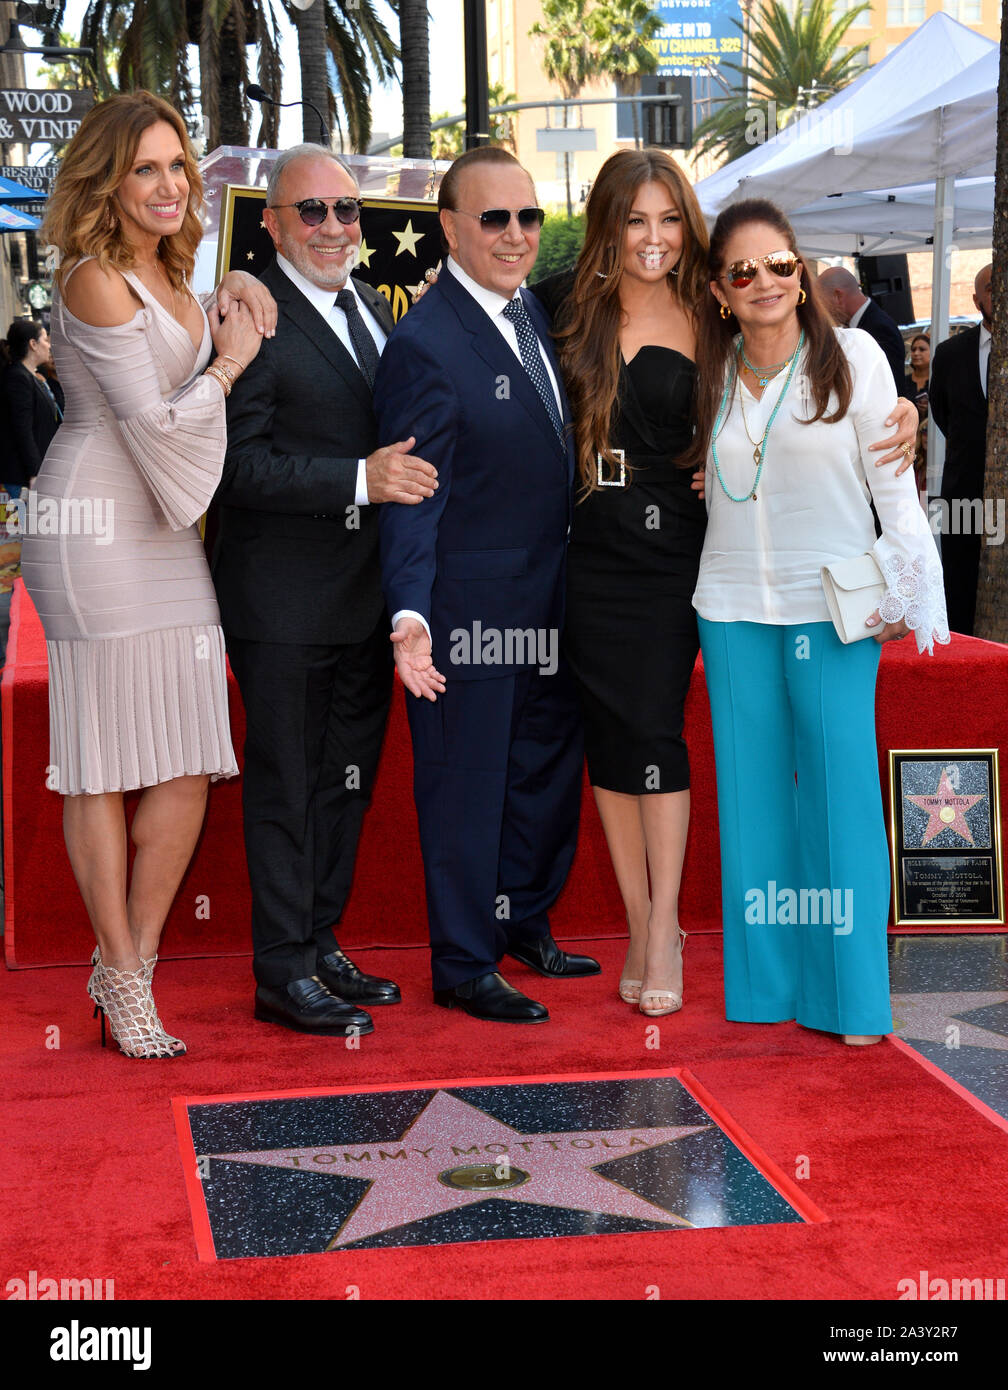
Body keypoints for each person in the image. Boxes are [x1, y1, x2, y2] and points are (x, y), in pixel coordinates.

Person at [525, 151, 920, 1019]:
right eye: (636, 220)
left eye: (670, 220)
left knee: (658, 735)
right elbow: (471, 309)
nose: (654, 238)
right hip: (591, 555)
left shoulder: (716, 329)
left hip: (680, 564)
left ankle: (668, 926)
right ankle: (638, 923)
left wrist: (903, 411)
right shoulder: (560, 308)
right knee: (612, 742)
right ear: (610, 225)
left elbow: (795, 392)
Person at [20, 91, 275, 1059]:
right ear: (108, 181)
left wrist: (240, 297)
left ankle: (134, 959)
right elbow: (160, 424)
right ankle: (124, 976)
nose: (170, 185)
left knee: (185, 756)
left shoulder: (173, 269)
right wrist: (229, 365)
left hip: (169, 532)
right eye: (147, 169)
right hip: (95, 529)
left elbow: (209, 337)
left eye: (179, 166)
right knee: (99, 758)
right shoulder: (93, 279)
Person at [691, 198, 949, 1046]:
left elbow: (894, 491)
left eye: (778, 264)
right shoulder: (710, 367)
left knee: (839, 803)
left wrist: (907, 592)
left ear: (801, 273)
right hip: (731, 610)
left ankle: (850, 1002)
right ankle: (764, 992)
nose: (763, 280)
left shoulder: (856, 359)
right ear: (721, 290)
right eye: (742, 270)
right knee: (752, 805)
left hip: (835, 610)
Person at [213, 145, 438, 1037]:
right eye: (312, 212)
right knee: (285, 785)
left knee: (345, 784)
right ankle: (281, 971)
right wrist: (359, 480)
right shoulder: (250, 317)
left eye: (348, 211)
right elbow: (236, 467)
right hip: (282, 603)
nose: (335, 228)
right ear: (271, 224)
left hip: (363, 600)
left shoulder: (372, 315)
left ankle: (319, 941)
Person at [375, 146, 600, 1023]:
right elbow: (411, 494)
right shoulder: (426, 343)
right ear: (451, 228)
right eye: (495, 218)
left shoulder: (530, 318)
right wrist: (410, 611)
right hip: (467, 615)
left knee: (541, 772)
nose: (516, 235)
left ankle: (521, 922)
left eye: (529, 217)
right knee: (467, 784)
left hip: (549, 605)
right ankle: (465, 962)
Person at [929, 264, 991, 635]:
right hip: (962, 493)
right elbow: (942, 413)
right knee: (960, 587)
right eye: (993, 287)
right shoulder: (951, 353)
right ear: (976, 300)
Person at [817, 266, 909, 395]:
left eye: (821, 302)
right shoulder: (867, 323)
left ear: (838, 296)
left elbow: (888, 385)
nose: (822, 310)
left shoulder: (879, 328)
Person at [2, 319, 63, 496]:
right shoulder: (18, 378)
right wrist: (35, 472)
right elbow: (23, 429)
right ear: (33, 344)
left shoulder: (31, 376)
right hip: (24, 477)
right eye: (45, 339)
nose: (49, 346)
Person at [904, 331, 930, 419]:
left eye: (922, 349)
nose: (916, 353)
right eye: (913, 349)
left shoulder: (937, 382)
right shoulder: (903, 381)